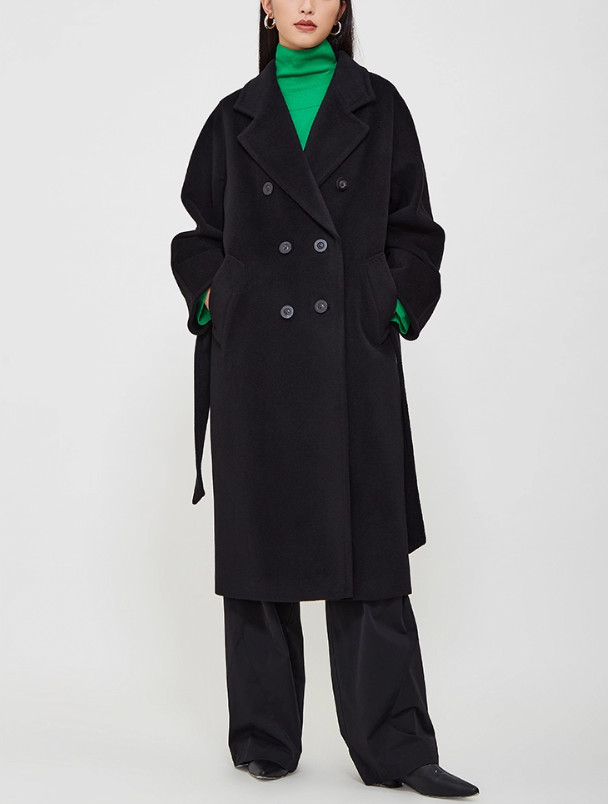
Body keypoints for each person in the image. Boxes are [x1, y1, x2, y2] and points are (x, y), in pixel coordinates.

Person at [170, 1, 479, 796]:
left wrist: (388, 300)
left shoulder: (378, 105)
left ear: (342, 7)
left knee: (370, 556)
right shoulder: (234, 115)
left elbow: (415, 231)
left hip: (350, 356)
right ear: (265, 6)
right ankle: (264, 739)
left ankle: (397, 750)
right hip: (256, 363)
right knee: (259, 554)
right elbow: (198, 235)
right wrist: (218, 296)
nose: (305, 3)